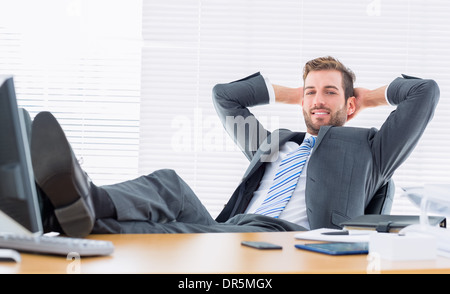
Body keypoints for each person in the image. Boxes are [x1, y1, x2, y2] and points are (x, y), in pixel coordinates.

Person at [30, 56, 439, 237]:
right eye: (310, 92)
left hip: (289, 239)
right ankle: (52, 212)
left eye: (329, 92)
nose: (317, 100)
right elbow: (225, 96)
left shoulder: (370, 150)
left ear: (348, 104)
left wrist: (366, 98)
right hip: (226, 230)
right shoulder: (272, 146)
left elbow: (424, 92)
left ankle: (58, 208)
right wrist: (293, 93)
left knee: (163, 232)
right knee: (167, 189)